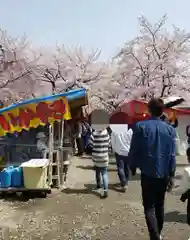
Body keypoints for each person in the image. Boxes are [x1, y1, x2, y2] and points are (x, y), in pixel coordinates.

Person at [128, 98, 176, 240]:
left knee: (148, 206)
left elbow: (134, 150)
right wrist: (172, 175)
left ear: (148, 110)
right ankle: (158, 233)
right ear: (162, 111)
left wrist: (132, 167)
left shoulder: (140, 126)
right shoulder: (170, 130)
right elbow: (172, 154)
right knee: (160, 204)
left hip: (147, 172)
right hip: (164, 173)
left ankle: (155, 236)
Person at [89, 127, 110, 199]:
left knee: (97, 170)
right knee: (104, 173)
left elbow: (90, 144)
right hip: (104, 156)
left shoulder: (94, 133)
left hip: (96, 157)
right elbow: (109, 144)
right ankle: (105, 190)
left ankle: (98, 185)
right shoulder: (106, 133)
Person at [111, 127, 133, 192]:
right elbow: (132, 141)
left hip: (119, 152)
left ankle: (123, 184)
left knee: (120, 168)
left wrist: (114, 150)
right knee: (127, 168)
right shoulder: (130, 131)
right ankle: (126, 181)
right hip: (128, 152)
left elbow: (113, 142)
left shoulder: (114, 131)